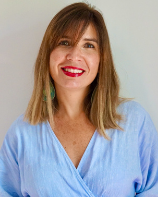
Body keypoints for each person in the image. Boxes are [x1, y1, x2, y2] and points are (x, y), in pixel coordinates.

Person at [0, 2, 158, 197]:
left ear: (101, 60)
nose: (75, 55)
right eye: (64, 42)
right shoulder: (22, 134)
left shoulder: (134, 121)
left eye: (88, 45)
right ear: (48, 55)